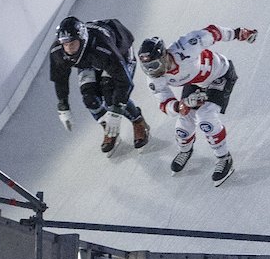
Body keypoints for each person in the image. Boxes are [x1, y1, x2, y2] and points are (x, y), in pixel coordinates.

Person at [138, 25, 257, 181]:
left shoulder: (186, 46)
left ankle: (224, 158)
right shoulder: (154, 77)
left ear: (163, 56)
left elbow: (213, 33)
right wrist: (179, 106)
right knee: (183, 125)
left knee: (205, 118)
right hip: (195, 81)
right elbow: (163, 101)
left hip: (220, 75)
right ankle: (185, 150)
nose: (151, 71)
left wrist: (237, 33)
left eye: (153, 65)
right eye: (146, 67)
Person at [50, 16, 150, 157]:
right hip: (90, 60)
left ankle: (138, 121)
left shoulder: (102, 47)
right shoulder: (57, 51)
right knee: (89, 97)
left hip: (118, 51)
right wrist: (63, 105)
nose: (69, 49)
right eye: (65, 44)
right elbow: (59, 79)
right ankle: (109, 129)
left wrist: (116, 112)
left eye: (72, 43)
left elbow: (124, 82)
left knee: (110, 92)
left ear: (82, 39)